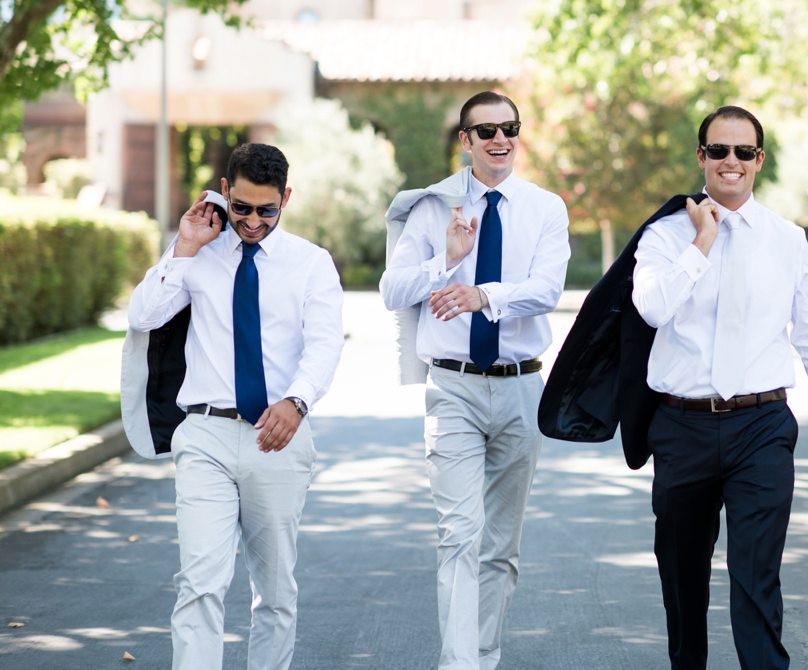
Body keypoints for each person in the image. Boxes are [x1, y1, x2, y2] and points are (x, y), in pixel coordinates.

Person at [631, 105, 808, 670]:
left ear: (759, 160)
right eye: (719, 150)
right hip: (682, 426)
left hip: (762, 426)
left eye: (744, 152)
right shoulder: (663, 236)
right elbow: (652, 309)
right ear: (701, 157)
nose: (732, 161)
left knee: (757, 575)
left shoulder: (787, 240)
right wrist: (700, 243)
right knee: (683, 577)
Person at [127, 143, 344, 670]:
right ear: (225, 192)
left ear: (285, 199)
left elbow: (324, 344)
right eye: (242, 207)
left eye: (266, 210)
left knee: (273, 589)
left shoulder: (310, 264)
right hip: (206, 434)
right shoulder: (198, 254)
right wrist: (183, 248)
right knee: (200, 581)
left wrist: (297, 402)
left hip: (279, 436)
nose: (251, 221)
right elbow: (144, 315)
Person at [379, 91, 570, 670]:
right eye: (485, 131)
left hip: (520, 386)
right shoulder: (433, 209)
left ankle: (483, 656)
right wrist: (447, 260)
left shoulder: (545, 207)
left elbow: (547, 289)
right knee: (459, 533)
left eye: (508, 128)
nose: (499, 140)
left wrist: (482, 294)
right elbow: (393, 290)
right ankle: (459, 664)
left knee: (501, 547)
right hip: (454, 388)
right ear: (465, 141)